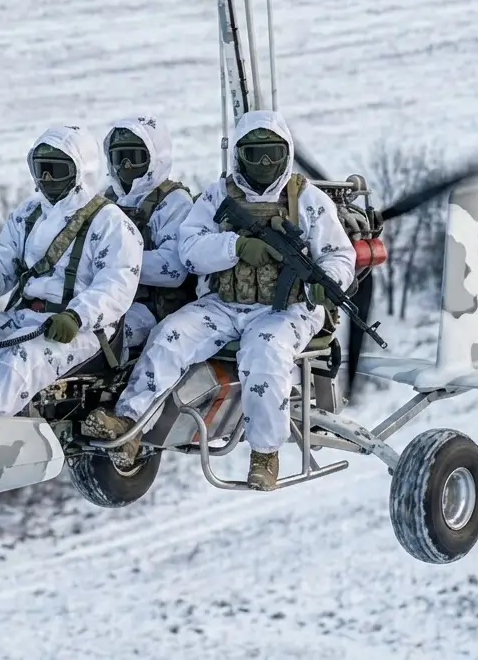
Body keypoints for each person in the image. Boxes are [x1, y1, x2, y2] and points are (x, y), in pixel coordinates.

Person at [81, 110, 356, 491]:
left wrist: (328, 283)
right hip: (223, 304)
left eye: (273, 153)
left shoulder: (307, 199)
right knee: (169, 337)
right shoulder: (218, 195)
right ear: (238, 155)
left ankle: (265, 454)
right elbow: (189, 250)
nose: (264, 163)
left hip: (287, 308)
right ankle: (130, 424)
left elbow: (339, 255)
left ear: (287, 153)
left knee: (266, 355)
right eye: (253, 154)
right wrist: (236, 247)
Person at [0, 125, 142, 417]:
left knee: (18, 361)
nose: (46, 178)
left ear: (80, 172)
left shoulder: (111, 223)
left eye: (56, 170)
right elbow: (1, 261)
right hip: (23, 317)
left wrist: (76, 315)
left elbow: (115, 286)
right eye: (41, 169)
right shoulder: (29, 214)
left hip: (81, 331)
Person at [101, 116, 195, 349]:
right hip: (108, 298)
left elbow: (173, 269)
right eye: (119, 157)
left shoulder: (174, 201)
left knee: (102, 338)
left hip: (153, 307)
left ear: (155, 157)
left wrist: (110, 263)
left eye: (135, 157)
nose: (126, 166)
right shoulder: (109, 199)